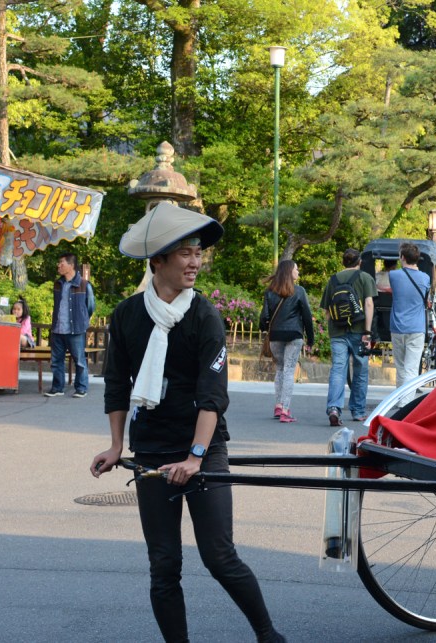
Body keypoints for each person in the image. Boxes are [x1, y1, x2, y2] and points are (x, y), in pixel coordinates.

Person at [90, 201, 285, 643]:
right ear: (157, 260)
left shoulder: (204, 316)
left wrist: (197, 456)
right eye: (185, 253)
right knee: (164, 564)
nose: (195, 261)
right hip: (153, 449)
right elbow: (117, 386)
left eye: (199, 252)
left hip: (204, 447)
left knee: (219, 556)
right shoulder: (126, 316)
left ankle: (269, 635)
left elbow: (213, 396)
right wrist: (116, 445)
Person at [321, 248, 377, 426]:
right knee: (360, 370)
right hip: (360, 332)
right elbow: (369, 304)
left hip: (337, 332)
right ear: (359, 262)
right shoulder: (365, 278)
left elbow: (326, 312)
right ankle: (358, 410)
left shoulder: (333, 280)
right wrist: (367, 332)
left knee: (338, 369)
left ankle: (334, 408)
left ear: (344, 262)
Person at [259, 259, 314, 423]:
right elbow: (306, 317)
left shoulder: (270, 291)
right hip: (294, 334)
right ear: (289, 271)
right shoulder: (299, 291)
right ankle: (285, 410)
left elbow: (264, 318)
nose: (298, 272)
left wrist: (267, 328)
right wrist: (310, 338)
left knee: (280, 369)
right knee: (290, 370)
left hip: (275, 335)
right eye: (296, 269)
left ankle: (278, 405)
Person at [45, 253, 95, 398]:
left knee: (79, 361)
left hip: (76, 329)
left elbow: (90, 306)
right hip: (58, 328)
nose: (58, 265)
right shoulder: (57, 283)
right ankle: (57, 387)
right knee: (56, 361)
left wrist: (83, 320)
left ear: (71, 265)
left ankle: (81, 388)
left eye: (61, 263)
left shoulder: (84, 284)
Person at [387, 242, 430, 388]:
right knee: (411, 369)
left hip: (397, 327)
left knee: (400, 368)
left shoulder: (393, 275)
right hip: (417, 328)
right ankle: (406, 404)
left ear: (403, 257)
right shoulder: (425, 278)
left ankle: (399, 402)